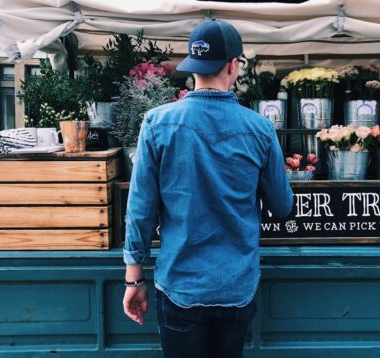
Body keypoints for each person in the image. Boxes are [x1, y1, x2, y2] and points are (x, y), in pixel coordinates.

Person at [122, 18, 293, 358]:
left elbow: (140, 208)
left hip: (180, 285)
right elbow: (283, 205)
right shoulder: (260, 129)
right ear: (233, 65)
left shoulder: (157, 123)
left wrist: (133, 280)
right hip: (236, 286)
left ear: (193, 67)